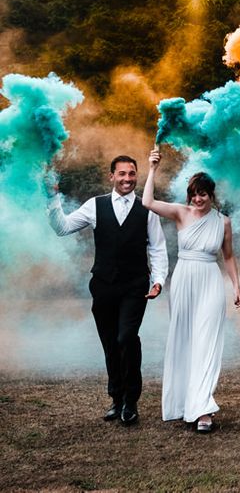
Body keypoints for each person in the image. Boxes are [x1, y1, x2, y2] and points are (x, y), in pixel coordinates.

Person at [47, 155, 168, 425]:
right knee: (110, 343)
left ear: (137, 177)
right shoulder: (95, 205)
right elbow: (62, 228)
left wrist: (158, 280)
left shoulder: (146, 208)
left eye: (132, 174)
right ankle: (117, 398)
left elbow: (157, 248)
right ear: (111, 176)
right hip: (103, 285)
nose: (127, 179)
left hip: (135, 285)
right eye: (122, 174)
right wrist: (52, 199)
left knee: (127, 338)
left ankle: (131, 402)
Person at [142, 148, 240, 433]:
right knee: (184, 338)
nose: (198, 199)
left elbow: (229, 256)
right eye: (194, 194)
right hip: (184, 279)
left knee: (207, 341)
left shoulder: (223, 222)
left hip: (210, 280)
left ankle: (203, 409)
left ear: (212, 195)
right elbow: (147, 201)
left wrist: (236, 286)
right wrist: (152, 168)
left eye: (203, 194)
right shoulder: (180, 212)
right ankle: (182, 402)